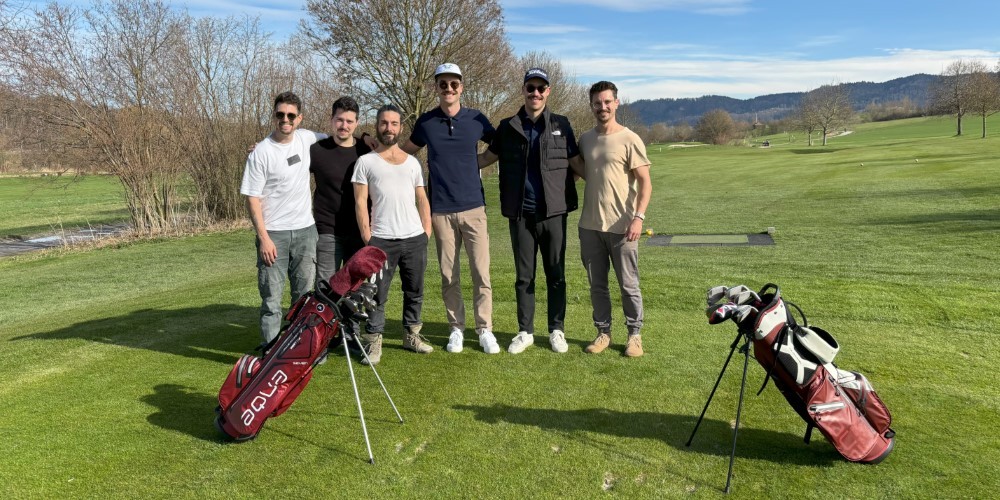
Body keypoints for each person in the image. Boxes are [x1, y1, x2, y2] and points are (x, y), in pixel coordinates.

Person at [478, 67, 580, 354]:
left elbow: (576, 163)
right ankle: (525, 331)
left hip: (554, 214)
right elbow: (487, 157)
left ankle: (557, 330)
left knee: (556, 274)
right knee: (525, 276)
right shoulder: (508, 126)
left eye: (540, 88)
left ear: (548, 91)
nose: (535, 92)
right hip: (520, 213)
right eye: (530, 87)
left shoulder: (561, 123)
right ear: (523, 90)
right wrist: (453, 166)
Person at [400, 62, 499, 355]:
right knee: (448, 275)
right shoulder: (426, 122)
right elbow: (404, 153)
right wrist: (369, 148)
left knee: (481, 273)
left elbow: (499, 146)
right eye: (443, 84)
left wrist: (478, 162)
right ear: (436, 88)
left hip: (473, 208)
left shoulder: (477, 119)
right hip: (440, 210)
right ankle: (456, 328)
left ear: (461, 87)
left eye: (454, 84)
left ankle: (485, 330)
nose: (449, 89)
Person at [240, 91, 325, 344]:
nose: (285, 119)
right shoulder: (261, 152)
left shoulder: (307, 138)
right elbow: (252, 198)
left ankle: (299, 351)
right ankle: (270, 355)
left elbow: (340, 138)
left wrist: (365, 139)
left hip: (305, 232)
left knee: (304, 298)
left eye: (290, 115)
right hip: (273, 235)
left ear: (300, 118)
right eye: (280, 114)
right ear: (274, 116)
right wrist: (263, 238)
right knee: (271, 300)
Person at [352, 104, 433, 365]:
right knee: (376, 293)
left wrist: (426, 231)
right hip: (381, 240)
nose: (389, 128)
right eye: (384, 123)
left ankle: (412, 335)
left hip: (414, 238)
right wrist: (367, 236)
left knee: (415, 290)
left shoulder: (412, 163)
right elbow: (360, 202)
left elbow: (422, 198)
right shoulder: (365, 162)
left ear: (401, 127)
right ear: (377, 125)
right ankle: (374, 341)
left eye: (394, 123)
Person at [577, 81, 652, 357]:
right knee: (597, 285)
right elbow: (578, 173)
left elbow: (646, 183)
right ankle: (603, 333)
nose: (602, 107)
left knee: (628, 285)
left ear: (616, 103)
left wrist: (638, 218)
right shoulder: (585, 139)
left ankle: (634, 335)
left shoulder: (630, 138)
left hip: (623, 228)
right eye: (597, 103)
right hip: (589, 227)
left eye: (607, 102)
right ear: (592, 106)